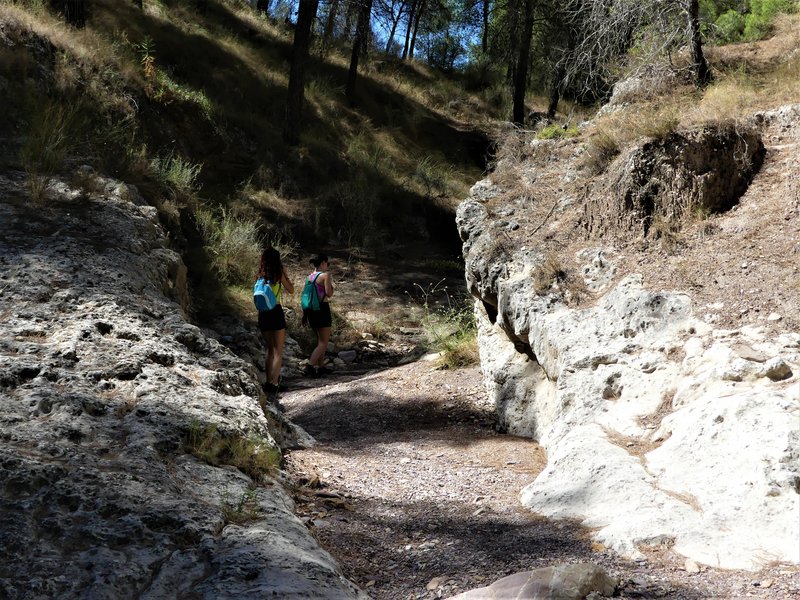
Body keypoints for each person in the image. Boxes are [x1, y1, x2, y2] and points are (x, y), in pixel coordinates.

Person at [257, 247, 294, 394]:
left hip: (263, 313)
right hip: (276, 311)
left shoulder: (260, 273)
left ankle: (268, 381)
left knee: (270, 349)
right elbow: (291, 290)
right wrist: (286, 275)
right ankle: (274, 383)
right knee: (278, 350)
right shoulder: (278, 273)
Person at [303, 253, 334, 377]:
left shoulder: (309, 277)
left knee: (320, 341)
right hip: (322, 309)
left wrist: (304, 315)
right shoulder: (325, 275)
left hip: (310, 311)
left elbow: (306, 296)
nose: (328, 266)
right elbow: (329, 293)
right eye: (327, 263)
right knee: (323, 342)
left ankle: (321, 367)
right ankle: (310, 366)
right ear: (322, 263)